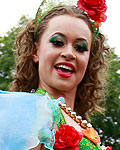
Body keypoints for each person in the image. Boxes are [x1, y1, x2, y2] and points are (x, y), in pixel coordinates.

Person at [0, 0, 112, 150]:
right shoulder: (27, 113)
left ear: (89, 60)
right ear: (35, 51)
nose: (69, 53)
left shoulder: (80, 123)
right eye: (58, 42)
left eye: (80, 47)